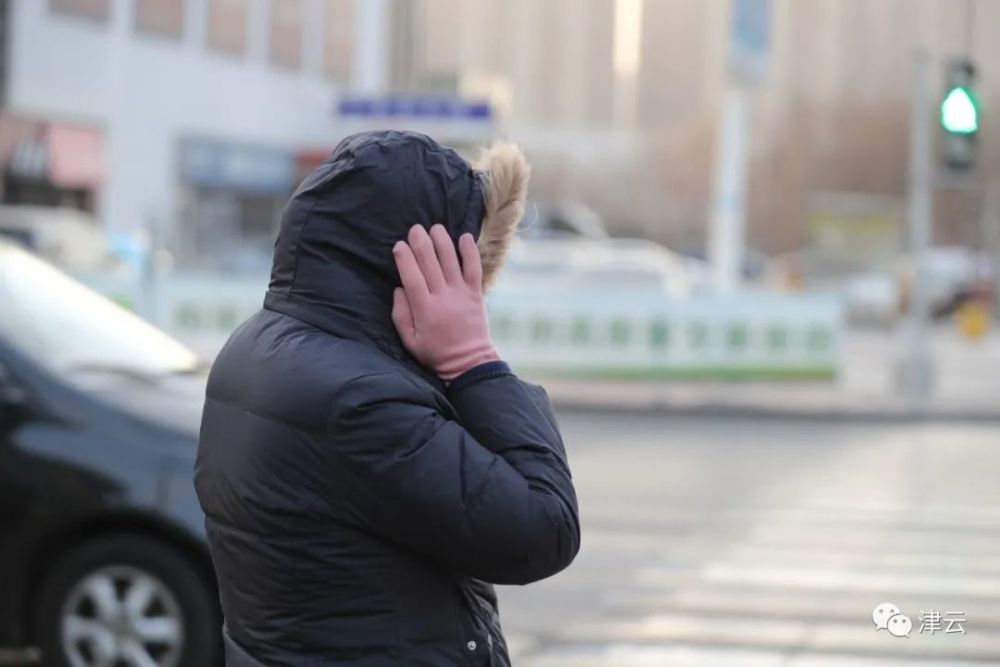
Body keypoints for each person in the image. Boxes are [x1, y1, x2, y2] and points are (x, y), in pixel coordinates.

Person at [194, 130, 581, 666]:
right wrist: (473, 359)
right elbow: (542, 529)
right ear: (427, 265)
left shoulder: (261, 345)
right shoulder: (358, 400)